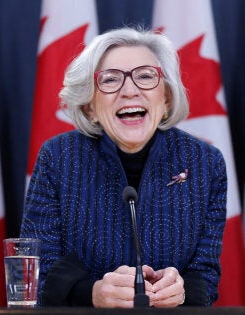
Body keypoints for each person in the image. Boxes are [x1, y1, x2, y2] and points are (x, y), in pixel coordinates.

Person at [20, 26, 227, 308]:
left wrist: (182, 292)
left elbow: (206, 275)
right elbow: (36, 275)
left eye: (145, 76)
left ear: (166, 98)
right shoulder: (58, 157)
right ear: (89, 107)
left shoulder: (204, 162)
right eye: (110, 80)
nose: (129, 91)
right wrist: (92, 293)